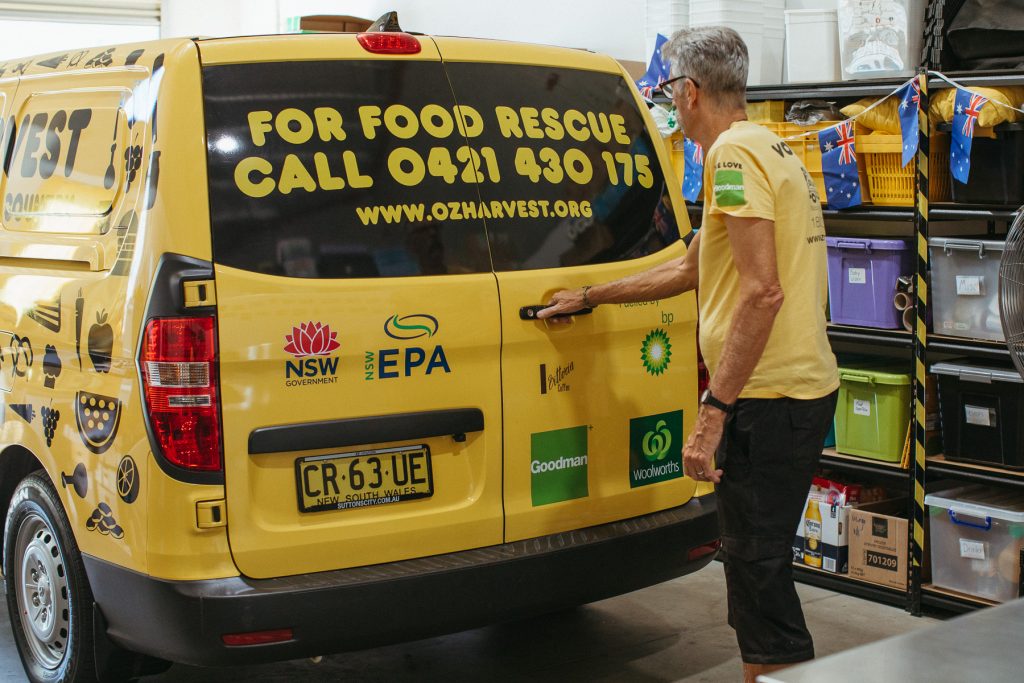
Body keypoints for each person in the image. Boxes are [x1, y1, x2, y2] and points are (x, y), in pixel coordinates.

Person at [537, 26, 839, 683]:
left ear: (691, 90)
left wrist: (714, 409)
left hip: (770, 399)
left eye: (671, 89)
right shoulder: (768, 148)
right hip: (798, 392)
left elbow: (761, 294)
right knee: (759, 573)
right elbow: (690, 268)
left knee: (758, 579)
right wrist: (591, 293)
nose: (671, 101)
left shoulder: (732, 155)